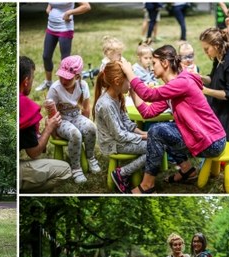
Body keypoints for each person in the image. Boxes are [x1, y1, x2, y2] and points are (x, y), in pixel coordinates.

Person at [118, 47, 227, 194]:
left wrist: (129, 73)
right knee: (165, 129)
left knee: (157, 131)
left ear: (164, 63)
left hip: (212, 142)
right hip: (207, 138)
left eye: (154, 63)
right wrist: (132, 89)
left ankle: (146, 186)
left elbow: (148, 94)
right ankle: (187, 171)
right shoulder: (173, 87)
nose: (151, 67)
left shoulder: (182, 83)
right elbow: (148, 112)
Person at [94, 61, 148, 193]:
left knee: (155, 142)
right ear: (118, 81)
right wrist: (141, 137)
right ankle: (122, 173)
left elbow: (126, 122)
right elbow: (118, 134)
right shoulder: (106, 105)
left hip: (121, 139)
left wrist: (142, 132)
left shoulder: (117, 96)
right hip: (113, 144)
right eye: (129, 81)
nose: (131, 85)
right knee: (154, 147)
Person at [19, 56, 72, 192]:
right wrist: (49, 128)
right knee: (65, 170)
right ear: (26, 81)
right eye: (32, 78)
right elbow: (34, 152)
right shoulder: (25, 108)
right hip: (17, 171)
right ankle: (24, 189)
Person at [48, 55, 101, 184]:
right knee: (75, 134)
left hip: (76, 117)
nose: (63, 80)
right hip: (61, 121)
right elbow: (51, 113)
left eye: (67, 78)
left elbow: (86, 108)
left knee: (91, 127)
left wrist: (85, 125)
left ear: (77, 76)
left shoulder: (82, 86)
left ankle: (90, 157)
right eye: (61, 76)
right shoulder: (55, 88)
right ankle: (76, 168)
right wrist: (54, 132)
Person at [36, 2, 92, 92]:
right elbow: (51, 5)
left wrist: (69, 13)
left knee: (65, 60)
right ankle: (48, 82)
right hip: (51, 27)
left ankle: (64, 85)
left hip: (65, 28)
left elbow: (86, 6)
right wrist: (49, 9)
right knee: (46, 56)